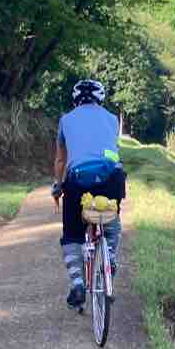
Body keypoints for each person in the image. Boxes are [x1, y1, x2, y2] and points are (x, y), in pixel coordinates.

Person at [52, 79, 125, 309]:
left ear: (75, 100)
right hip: (111, 177)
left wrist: (58, 186)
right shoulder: (112, 119)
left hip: (78, 179)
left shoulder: (66, 120)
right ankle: (109, 257)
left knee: (72, 234)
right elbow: (111, 149)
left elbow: (61, 160)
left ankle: (77, 283)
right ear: (100, 99)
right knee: (112, 223)